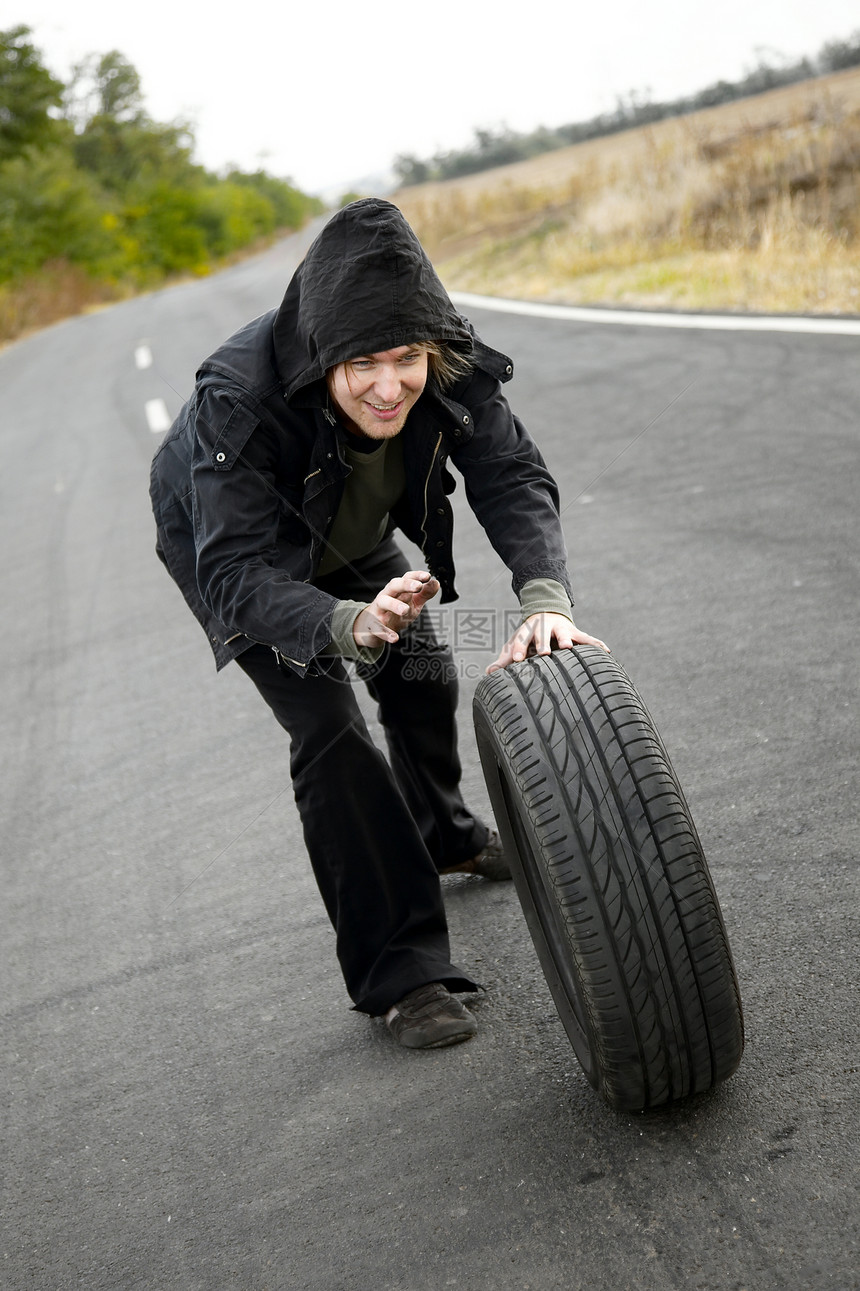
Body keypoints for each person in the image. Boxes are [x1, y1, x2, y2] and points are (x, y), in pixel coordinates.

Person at [150, 199, 607, 1050]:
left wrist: (546, 598)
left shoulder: (445, 355)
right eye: (364, 363)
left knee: (422, 668)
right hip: (246, 554)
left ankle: (445, 833)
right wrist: (348, 620)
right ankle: (400, 973)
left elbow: (511, 473)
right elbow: (236, 572)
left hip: (349, 529)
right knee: (330, 732)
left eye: (407, 359)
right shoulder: (237, 400)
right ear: (326, 352)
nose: (391, 384)